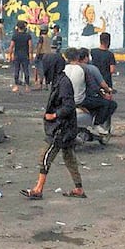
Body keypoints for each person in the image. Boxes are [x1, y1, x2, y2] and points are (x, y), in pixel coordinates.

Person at [20, 53, 85, 200]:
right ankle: (78, 188)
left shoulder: (63, 83)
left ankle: (38, 189)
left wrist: (54, 116)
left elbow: (68, 106)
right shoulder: (59, 80)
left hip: (61, 128)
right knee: (69, 158)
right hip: (66, 127)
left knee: (45, 157)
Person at [8, 21, 33, 92]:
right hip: (25, 55)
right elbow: (30, 46)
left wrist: (10, 55)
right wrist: (31, 55)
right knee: (26, 70)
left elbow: (11, 46)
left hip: (17, 55)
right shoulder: (28, 35)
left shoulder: (15, 36)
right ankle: (27, 87)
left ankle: (16, 86)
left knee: (16, 70)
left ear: (17, 27)